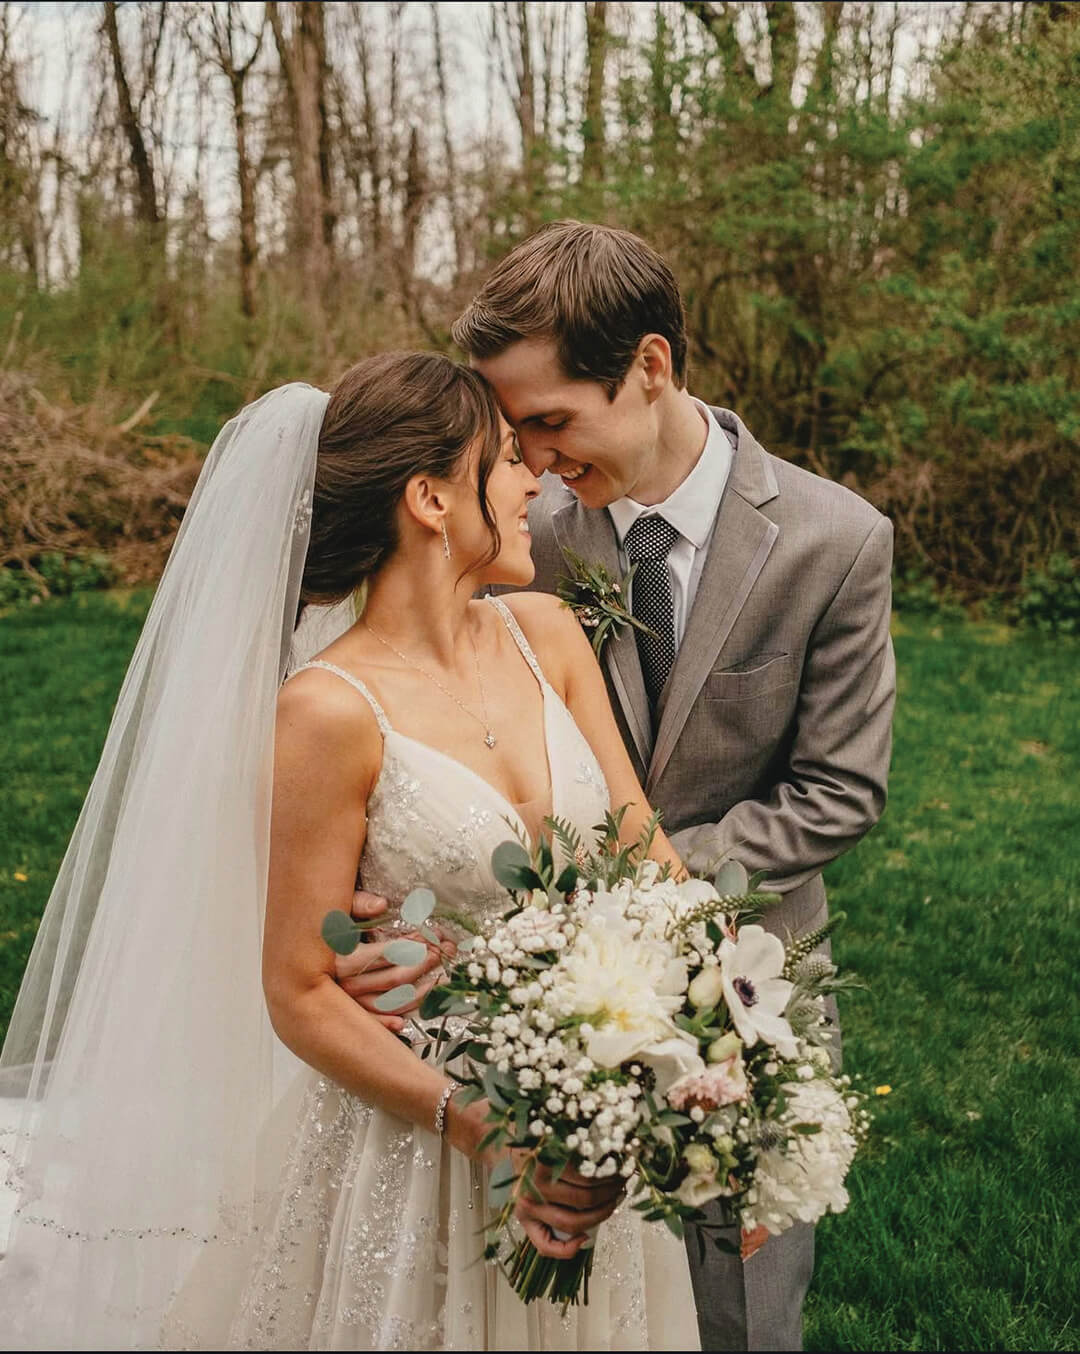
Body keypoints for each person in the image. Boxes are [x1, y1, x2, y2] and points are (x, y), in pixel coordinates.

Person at [0, 352, 700, 1350]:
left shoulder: (549, 634)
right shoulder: (329, 711)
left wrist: (721, 1034)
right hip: (423, 1147)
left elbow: (644, 854)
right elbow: (298, 988)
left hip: (591, 1114)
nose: (536, 481)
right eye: (508, 460)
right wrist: (484, 1125)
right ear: (430, 498)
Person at [344, 222, 896, 1351]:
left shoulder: (834, 541)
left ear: (649, 366)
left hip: (740, 987)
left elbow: (837, 790)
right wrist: (397, 891)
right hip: (538, 1022)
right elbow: (420, 712)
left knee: (740, 1316)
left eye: (551, 422)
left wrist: (630, 903)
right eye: (514, 435)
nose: (535, 458)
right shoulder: (519, 531)